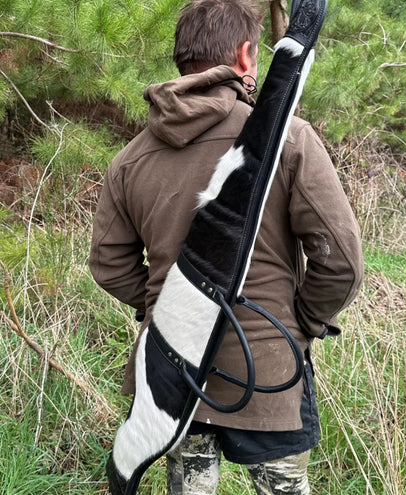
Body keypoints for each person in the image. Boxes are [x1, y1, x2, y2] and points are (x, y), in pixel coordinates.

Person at [89, 0, 364, 493]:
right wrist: (303, 322)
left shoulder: (129, 160)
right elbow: (339, 261)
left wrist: (170, 306)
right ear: (244, 56)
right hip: (268, 371)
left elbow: (109, 266)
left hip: (172, 373)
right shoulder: (290, 139)